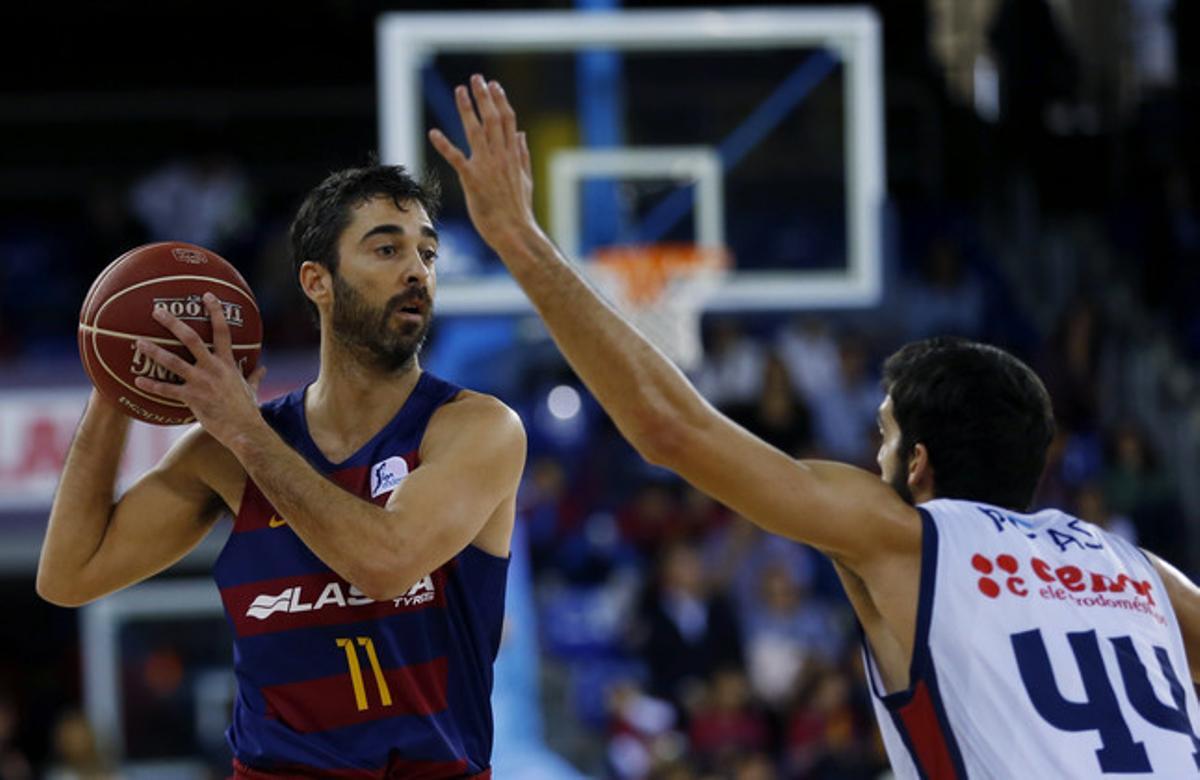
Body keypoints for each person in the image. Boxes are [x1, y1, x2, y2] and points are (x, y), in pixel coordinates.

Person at [429, 75, 1200, 776]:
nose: (874, 459)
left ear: (920, 465)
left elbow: (670, 429)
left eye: (885, 438)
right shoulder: (1138, 570)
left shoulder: (905, 538)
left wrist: (521, 243)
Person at [37, 165, 526, 778]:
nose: (417, 270)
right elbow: (68, 576)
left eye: (427, 252)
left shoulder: (475, 429)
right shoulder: (228, 452)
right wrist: (117, 381)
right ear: (317, 281)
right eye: (386, 248)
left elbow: (385, 563)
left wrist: (243, 432)